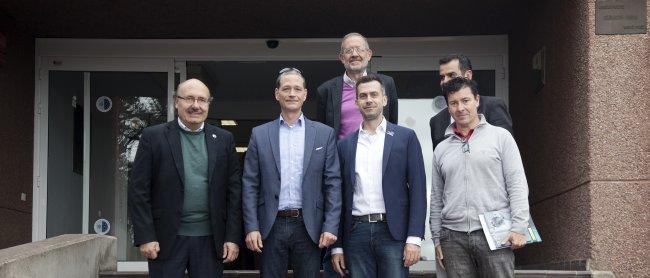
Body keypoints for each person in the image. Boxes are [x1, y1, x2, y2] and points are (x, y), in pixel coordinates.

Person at [128, 78, 242, 278]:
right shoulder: (153, 137)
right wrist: (145, 236)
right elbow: (139, 191)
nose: (195, 105)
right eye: (189, 99)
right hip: (165, 239)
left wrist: (232, 237)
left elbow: (234, 192)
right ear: (175, 101)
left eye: (201, 100)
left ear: (208, 104)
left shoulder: (224, 139)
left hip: (211, 240)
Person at [242, 68, 342, 278]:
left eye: (297, 89)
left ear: (305, 94)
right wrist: (251, 226)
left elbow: (332, 183)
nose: (291, 93)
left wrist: (331, 225)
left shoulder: (324, 134)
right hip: (271, 226)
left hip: (309, 226)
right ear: (277, 93)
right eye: (286, 88)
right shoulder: (259, 134)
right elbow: (250, 184)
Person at [429, 77, 530, 278]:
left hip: (495, 235)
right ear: (448, 108)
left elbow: (517, 184)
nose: (460, 108)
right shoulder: (441, 148)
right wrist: (437, 240)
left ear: (476, 100)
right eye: (454, 103)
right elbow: (436, 198)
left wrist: (519, 227)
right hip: (452, 238)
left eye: (465, 100)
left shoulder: (500, 137)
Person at [331, 75, 426, 278]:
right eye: (363, 96)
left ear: (384, 99)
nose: (368, 99)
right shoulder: (345, 145)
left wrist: (415, 237)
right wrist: (337, 246)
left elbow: (418, 190)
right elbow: (339, 197)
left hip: (393, 233)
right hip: (356, 233)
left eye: (374, 94)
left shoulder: (405, 138)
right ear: (356, 102)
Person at [317, 32, 399, 140]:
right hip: (342, 155)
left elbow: (392, 123)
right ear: (342, 57)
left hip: (378, 152)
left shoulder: (386, 83)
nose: (354, 54)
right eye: (349, 51)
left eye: (359, 49)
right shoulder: (326, 90)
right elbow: (322, 131)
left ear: (369, 55)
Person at [430, 54, 512, 148]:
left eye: (451, 75)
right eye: (442, 77)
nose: (445, 81)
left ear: (468, 75)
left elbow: (506, 147)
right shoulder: (436, 121)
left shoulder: (492, 106)